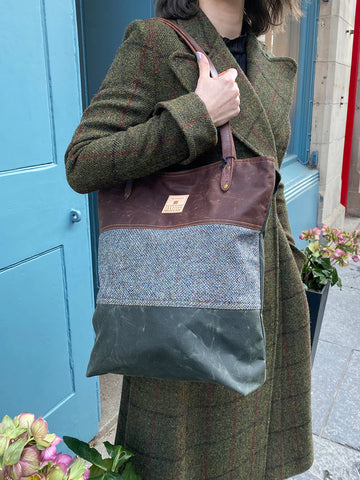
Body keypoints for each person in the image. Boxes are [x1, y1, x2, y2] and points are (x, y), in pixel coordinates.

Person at [65, 0, 313, 478]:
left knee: (252, 458)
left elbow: (270, 177)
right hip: (185, 299)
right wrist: (197, 113)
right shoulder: (155, 42)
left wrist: (293, 264)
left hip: (266, 292)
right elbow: (84, 160)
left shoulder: (268, 63)